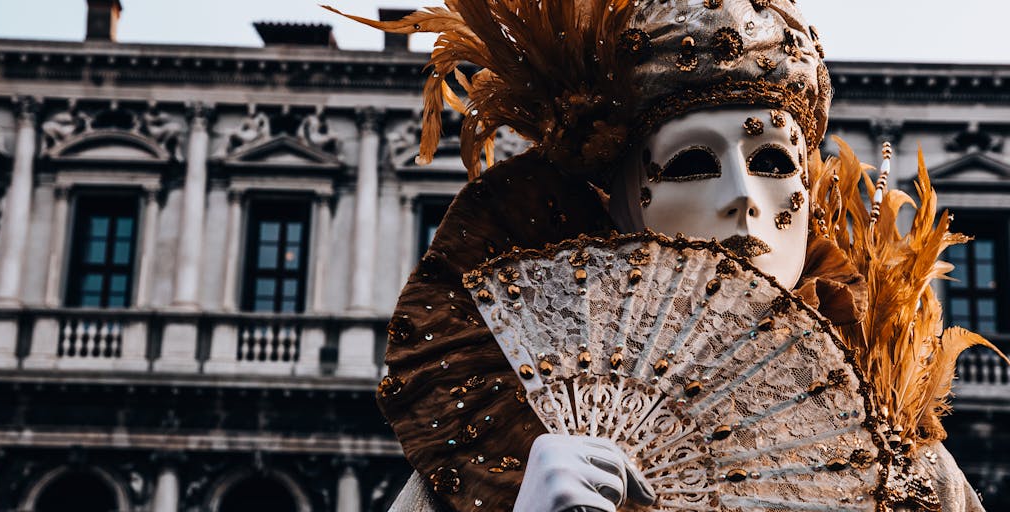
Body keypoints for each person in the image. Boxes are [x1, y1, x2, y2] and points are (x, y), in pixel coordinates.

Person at [326, 1, 997, 510]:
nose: (743, 197)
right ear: (622, 202)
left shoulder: (904, 459)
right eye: (692, 163)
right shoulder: (491, 456)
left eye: (772, 161)